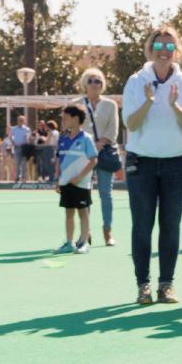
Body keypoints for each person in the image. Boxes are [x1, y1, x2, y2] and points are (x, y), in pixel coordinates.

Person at [122, 27, 182, 305]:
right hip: (141, 164)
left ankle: (166, 284)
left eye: (169, 46)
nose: (164, 51)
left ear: (177, 50)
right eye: (159, 45)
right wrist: (148, 102)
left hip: (177, 163)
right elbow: (130, 124)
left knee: (170, 225)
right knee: (142, 226)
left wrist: (175, 106)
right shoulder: (136, 81)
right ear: (150, 48)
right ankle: (143, 285)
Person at [75, 68, 120, 246]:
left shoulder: (111, 105)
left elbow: (113, 129)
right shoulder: (75, 104)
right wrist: (88, 146)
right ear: (85, 83)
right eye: (92, 81)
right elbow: (72, 128)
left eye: (99, 81)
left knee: (105, 194)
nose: (95, 84)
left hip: (104, 154)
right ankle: (85, 233)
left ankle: (107, 232)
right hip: (82, 155)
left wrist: (99, 144)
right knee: (83, 194)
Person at [53, 105, 99, 255]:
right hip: (65, 183)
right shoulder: (63, 138)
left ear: (75, 119)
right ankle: (69, 242)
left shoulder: (86, 138)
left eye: (65, 118)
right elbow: (59, 160)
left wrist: (80, 177)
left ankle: (84, 242)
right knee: (69, 213)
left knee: (83, 213)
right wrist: (58, 179)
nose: (63, 121)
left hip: (81, 183)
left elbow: (93, 160)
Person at [10, 114, 31, 186]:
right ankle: (17, 178)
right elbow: (10, 137)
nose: (21, 121)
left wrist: (27, 139)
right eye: (19, 120)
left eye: (22, 120)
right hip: (17, 147)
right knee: (17, 163)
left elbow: (29, 138)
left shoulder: (27, 129)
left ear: (24, 121)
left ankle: (24, 178)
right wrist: (13, 143)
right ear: (17, 121)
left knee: (24, 163)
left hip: (24, 148)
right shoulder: (13, 128)